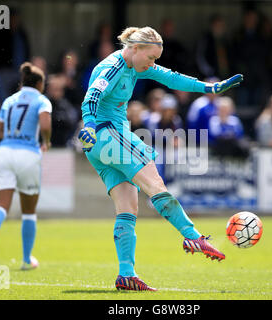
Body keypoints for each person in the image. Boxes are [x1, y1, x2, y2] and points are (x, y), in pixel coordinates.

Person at [77, 26, 243, 291]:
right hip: (106, 134)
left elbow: (173, 78)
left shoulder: (135, 64)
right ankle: (192, 236)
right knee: (156, 184)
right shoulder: (112, 65)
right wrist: (87, 124)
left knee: (128, 208)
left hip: (99, 144)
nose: (153, 64)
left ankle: (126, 274)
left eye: (155, 59)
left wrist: (210, 88)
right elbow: (92, 96)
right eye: (151, 58)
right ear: (136, 48)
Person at [0, 62, 52, 271]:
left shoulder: (9, 100)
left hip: (3, 153)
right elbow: (46, 125)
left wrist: (13, 136)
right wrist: (46, 141)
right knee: (28, 211)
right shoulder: (41, 100)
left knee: (1, 205)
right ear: (39, 83)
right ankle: (27, 259)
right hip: (28, 154)